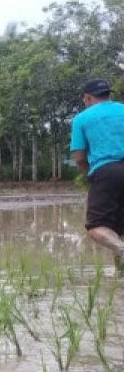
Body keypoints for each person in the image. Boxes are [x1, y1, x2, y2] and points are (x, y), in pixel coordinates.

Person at [70, 78, 124, 270]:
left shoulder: (82, 119)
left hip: (107, 170)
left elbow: (79, 158)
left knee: (96, 227)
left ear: (87, 98)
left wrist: (90, 175)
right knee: (118, 230)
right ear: (109, 95)